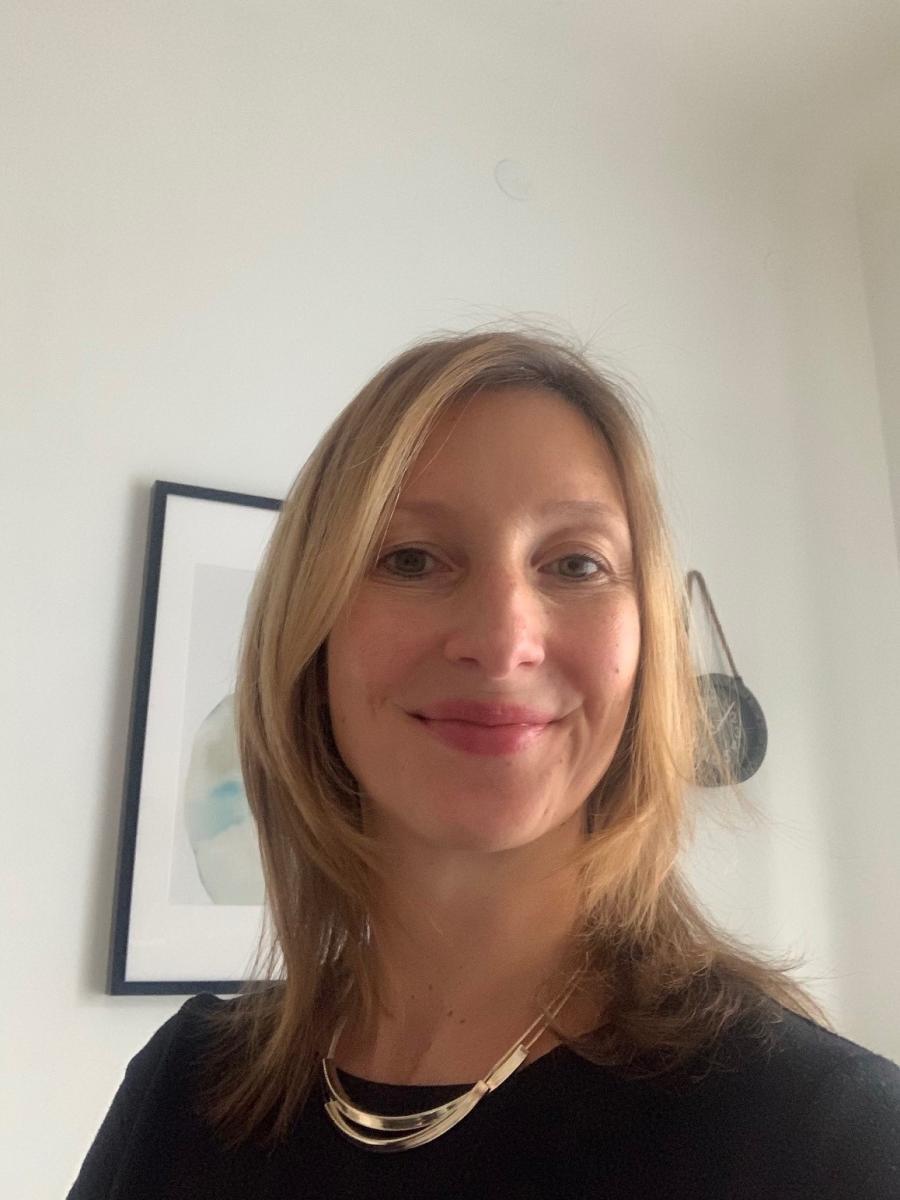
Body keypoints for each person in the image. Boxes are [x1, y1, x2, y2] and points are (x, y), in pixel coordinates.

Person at [67, 328, 900, 1198]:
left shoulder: (826, 1136)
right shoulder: (183, 1090)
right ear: (312, 635)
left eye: (575, 563)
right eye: (411, 559)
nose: (503, 641)